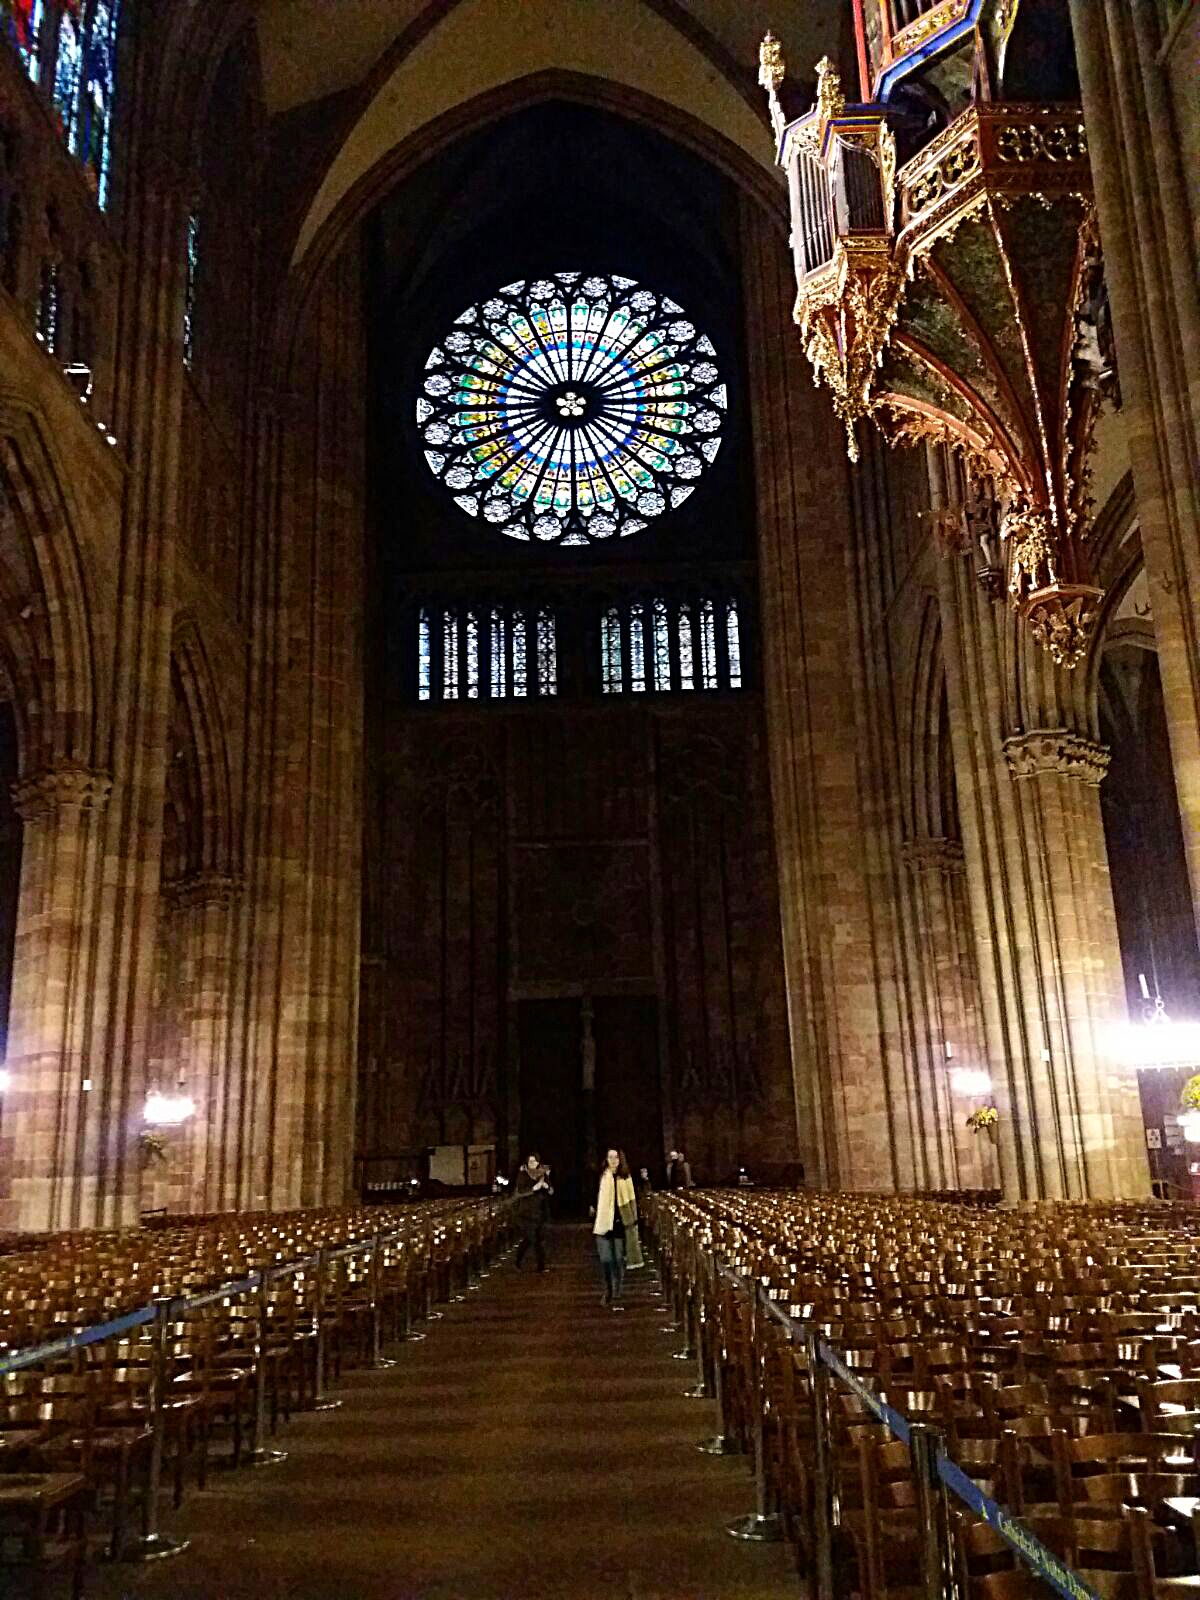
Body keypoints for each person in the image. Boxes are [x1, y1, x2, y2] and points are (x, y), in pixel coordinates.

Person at [592, 1148, 637, 1309]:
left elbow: (631, 1200)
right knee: (606, 1259)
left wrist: (633, 1220)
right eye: (610, 1157)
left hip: (620, 1222)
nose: (613, 1160)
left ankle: (617, 1286)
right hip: (604, 1223)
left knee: (618, 1258)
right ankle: (608, 1289)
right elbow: (595, 1195)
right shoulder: (602, 1176)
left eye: (616, 1157)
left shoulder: (625, 1177)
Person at [513, 1153, 552, 1272]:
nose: (532, 1164)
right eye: (530, 1162)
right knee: (530, 1238)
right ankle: (517, 1262)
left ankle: (541, 1266)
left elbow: (550, 1190)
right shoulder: (523, 1174)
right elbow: (520, 1191)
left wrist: (545, 1186)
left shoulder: (542, 1173)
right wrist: (534, 1188)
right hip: (526, 1213)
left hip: (539, 1212)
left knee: (539, 1239)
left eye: (534, 1162)